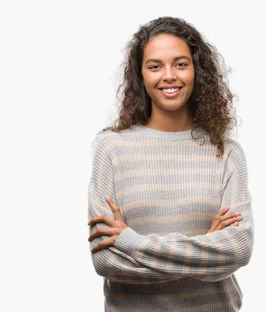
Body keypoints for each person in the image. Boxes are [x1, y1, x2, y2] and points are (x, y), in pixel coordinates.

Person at [87, 16, 253, 312]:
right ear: (141, 76)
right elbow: (106, 260)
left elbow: (237, 250)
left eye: (180, 64)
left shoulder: (226, 152)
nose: (169, 76)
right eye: (155, 66)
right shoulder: (111, 147)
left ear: (196, 70)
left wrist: (130, 242)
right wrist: (207, 252)